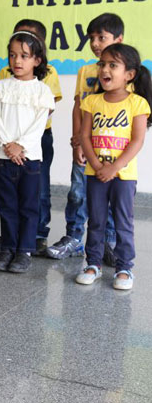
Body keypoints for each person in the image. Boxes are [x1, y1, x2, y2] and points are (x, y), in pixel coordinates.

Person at [46, 13, 123, 261]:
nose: (95, 43)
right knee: (78, 193)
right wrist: (77, 142)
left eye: (102, 37)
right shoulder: (85, 71)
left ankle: (108, 242)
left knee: (111, 197)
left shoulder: (126, 74)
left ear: (119, 39)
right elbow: (78, 107)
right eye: (92, 38)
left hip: (114, 149)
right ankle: (74, 238)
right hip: (86, 147)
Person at [76, 43, 152, 290]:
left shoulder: (138, 103)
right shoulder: (92, 101)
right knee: (96, 220)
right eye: (102, 64)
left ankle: (124, 268)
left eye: (112, 65)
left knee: (122, 221)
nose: (104, 69)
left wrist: (114, 167)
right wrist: (97, 164)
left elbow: (137, 140)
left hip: (123, 176)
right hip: (95, 173)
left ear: (129, 74)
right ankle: (93, 264)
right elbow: (84, 136)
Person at [0, 19, 62, 255]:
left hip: (29, 157)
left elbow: (39, 124)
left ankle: (25, 251)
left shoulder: (42, 90)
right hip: (2, 156)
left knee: (29, 206)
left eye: (24, 56)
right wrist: (7, 145)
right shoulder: (0, 86)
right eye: (12, 55)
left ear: (37, 60)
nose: (17, 61)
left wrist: (20, 146)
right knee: (6, 205)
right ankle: (8, 248)